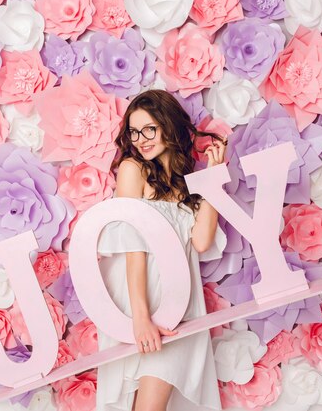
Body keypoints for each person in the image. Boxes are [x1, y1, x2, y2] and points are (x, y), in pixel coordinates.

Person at [95, 90, 227, 411]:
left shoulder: (184, 180)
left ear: (168, 125)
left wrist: (211, 178)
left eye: (149, 129)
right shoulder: (133, 169)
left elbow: (200, 242)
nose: (141, 139)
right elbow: (132, 247)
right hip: (143, 301)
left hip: (180, 303)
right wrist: (140, 317)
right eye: (135, 131)